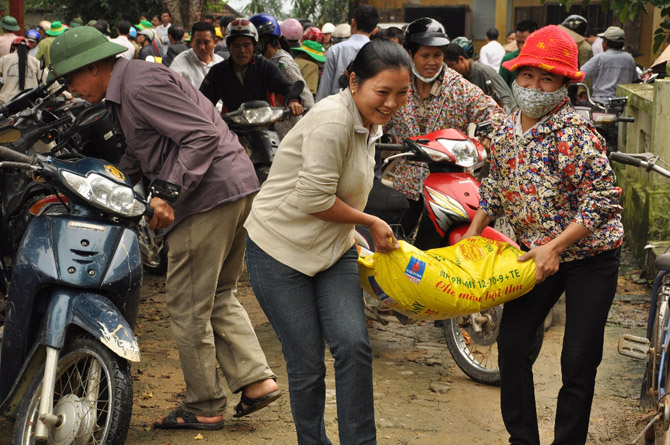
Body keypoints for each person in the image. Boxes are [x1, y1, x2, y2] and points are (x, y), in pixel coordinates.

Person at [48, 25, 281, 430]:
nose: (72, 89)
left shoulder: (141, 84)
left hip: (207, 197)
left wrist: (166, 193)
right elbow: (142, 153)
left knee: (187, 306)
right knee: (218, 294)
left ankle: (205, 404)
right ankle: (256, 380)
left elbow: (201, 136)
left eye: (71, 79)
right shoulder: (127, 92)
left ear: (93, 66)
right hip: (232, 188)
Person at [462, 25, 623, 444]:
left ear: (566, 85)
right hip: (536, 255)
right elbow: (496, 186)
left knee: (578, 360)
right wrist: (475, 230)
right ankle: (523, 438)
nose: (534, 86)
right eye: (528, 75)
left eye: (547, 78)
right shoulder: (502, 129)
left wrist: (556, 245)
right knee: (512, 345)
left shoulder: (575, 134)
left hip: (591, 256)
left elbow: (602, 200)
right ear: (515, 75)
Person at [245, 38, 410, 445]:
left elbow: (340, 191)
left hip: (333, 248)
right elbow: (313, 199)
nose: (391, 102)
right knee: (307, 366)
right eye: (383, 92)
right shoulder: (332, 121)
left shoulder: (371, 121)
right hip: (278, 250)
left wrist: (352, 229)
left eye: (402, 93)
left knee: (354, 346)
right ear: (354, 81)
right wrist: (370, 221)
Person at [386, 18, 504, 232]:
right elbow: (380, 115)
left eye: (437, 55)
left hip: (449, 189)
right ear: (410, 54)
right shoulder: (398, 84)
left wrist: (487, 132)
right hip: (407, 185)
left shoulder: (458, 87)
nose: (432, 62)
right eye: (425, 55)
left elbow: (495, 113)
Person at [199, 19, 303, 116]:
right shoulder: (218, 72)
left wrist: (293, 101)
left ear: (254, 46)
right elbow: (202, 101)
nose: (242, 50)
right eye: (236, 46)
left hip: (264, 125)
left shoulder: (265, 66)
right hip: (231, 129)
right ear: (229, 47)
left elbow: (285, 86)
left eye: (247, 45)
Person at [250, 13, 314, 138]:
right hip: (270, 131)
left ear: (265, 40)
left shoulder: (283, 63)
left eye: (254, 41)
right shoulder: (262, 62)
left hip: (288, 133)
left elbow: (307, 100)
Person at [316, 5, 380, 101]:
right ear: (375, 30)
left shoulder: (335, 50)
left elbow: (326, 86)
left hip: (336, 106)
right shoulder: (378, 52)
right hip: (366, 107)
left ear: (353, 23)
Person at [444, 39, 517, 112]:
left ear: (461, 59)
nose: (450, 70)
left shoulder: (485, 72)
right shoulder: (458, 78)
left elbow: (506, 100)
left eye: (452, 65)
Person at [581, 26, 637, 104]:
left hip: (601, 103)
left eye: (603, 40)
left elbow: (580, 74)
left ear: (606, 42)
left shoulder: (600, 58)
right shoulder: (629, 58)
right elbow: (635, 80)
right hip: (623, 104)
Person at [169, 22, 223, 88]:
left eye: (206, 42)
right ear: (191, 41)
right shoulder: (179, 63)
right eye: (198, 42)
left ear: (215, 42)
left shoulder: (220, 63)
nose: (202, 47)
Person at [0, 37, 42, 104]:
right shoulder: (36, 62)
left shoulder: (4, 59)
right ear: (28, 49)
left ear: (14, 48)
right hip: (29, 101)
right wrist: (64, 94)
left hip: (6, 100)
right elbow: (46, 78)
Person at [499, 20, 539, 88]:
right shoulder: (508, 59)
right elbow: (501, 87)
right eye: (518, 42)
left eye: (524, 42)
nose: (521, 46)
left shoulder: (543, 60)